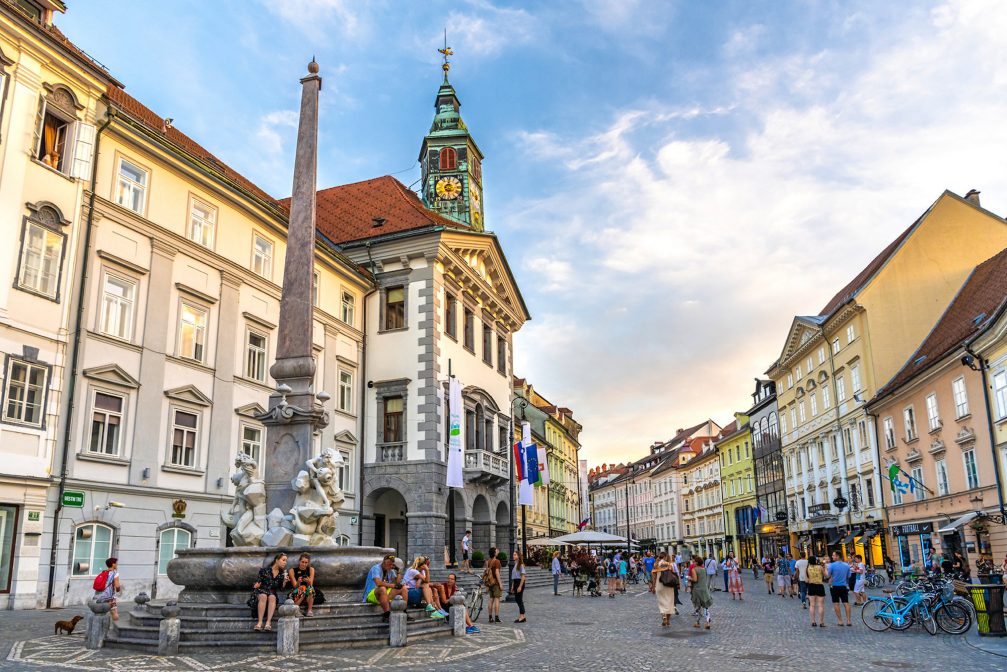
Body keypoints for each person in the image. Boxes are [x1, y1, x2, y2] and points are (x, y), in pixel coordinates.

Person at [363, 554, 408, 623]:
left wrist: (398, 571)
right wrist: (393, 586)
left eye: (391, 565)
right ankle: (387, 614)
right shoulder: (376, 568)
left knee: (403, 588)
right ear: (384, 562)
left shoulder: (390, 570)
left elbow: (398, 582)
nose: (390, 566)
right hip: (371, 594)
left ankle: (404, 612)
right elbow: (378, 583)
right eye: (388, 564)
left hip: (384, 594)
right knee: (382, 588)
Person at [252, 552, 289, 631]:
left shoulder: (282, 574)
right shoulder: (264, 570)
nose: (285, 562)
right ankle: (260, 622)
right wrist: (256, 585)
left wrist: (284, 582)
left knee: (272, 597)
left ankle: (268, 623)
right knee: (263, 596)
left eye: (286, 561)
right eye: (283, 560)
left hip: (272, 593)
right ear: (277, 560)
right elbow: (258, 583)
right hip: (261, 591)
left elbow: (281, 589)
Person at [288, 552, 325, 616]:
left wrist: (308, 581)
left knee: (309, 588)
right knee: (303, 588)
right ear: (299, 561)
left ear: (308, 563)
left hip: (308, 591)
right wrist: (298, 582)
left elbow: (311, 584)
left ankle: (309, 610)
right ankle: (296, 609)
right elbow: (294, 586)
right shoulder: (292, 570)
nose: (304, 564)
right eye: (302, 562)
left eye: (306, 562)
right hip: (296, 592)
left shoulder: (311, 569)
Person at [651, 551, 679, 625]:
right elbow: (673, 575)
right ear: (666, 557)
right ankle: (668, 621)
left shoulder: (656, 565)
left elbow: (654, 577)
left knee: (662, 603)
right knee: (669, 602)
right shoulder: (669, 564)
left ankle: (664, 617)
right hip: (669, 585)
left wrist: (653, 587)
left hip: (659, 585)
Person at [825, 551, 852, 626]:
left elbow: (828, 576)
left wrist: (824, 570)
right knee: (846, 603)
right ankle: (849, 620)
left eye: (833, 555)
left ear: (837, 556)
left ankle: (840, 621)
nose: (832, 557)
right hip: (843, 586)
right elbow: (849, 576)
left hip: (834, 586)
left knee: (836, 603)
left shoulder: (832, 565)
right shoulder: (846, 565)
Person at [688, 554, 713, 629]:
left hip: (697, 589)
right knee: (706, 607)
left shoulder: (694, 569)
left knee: (698, 607)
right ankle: (708, 622)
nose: (693, 562)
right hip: (704, 589)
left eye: (694, 561)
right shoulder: (704, 569)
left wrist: (689, 578)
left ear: (696, 562)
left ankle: (698, 622)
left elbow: (695, 579)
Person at [94, 557, 122, 622]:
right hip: (110, 598)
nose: (117, 565)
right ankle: (116, 627)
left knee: (101, 613)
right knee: (114, 612)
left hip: (100, 596)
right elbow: (117, 586)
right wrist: (118, 589)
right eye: (116, 563)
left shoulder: (104, 572)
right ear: (113, 564)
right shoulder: (115, 574)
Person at [483, 546, 503, 623]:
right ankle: (497, 617)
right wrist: (500, 584)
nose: (497, 551)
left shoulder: (488, 561)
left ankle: (490, 617)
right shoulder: (497, 561)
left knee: (491, 599)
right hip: (495, 583)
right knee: (497, 599)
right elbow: (497, 573)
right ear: (494, 553)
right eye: (496, 550)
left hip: (489, 583)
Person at [806, 555, 826, 627]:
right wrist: (825, 568)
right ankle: (821, 622)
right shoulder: (820, 567)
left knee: (812, 605)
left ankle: (813, 621)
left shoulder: (808, 568)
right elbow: (826, 575)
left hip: (811, 586)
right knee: (820, 605)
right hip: (819, 586)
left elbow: (806, 579)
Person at [511, 550, 527, 623]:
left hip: (520, 582)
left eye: (515, 555)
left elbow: (523, 576)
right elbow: (514, 577)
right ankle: (523, 616)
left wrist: (520, 586)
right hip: (516, 582)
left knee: (519, 600)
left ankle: (521, 616)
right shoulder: (516, 564)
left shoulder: (521, 565)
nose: (513, 556)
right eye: (513, 555)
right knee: (518, 600)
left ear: (518, 556)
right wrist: (512, 586)